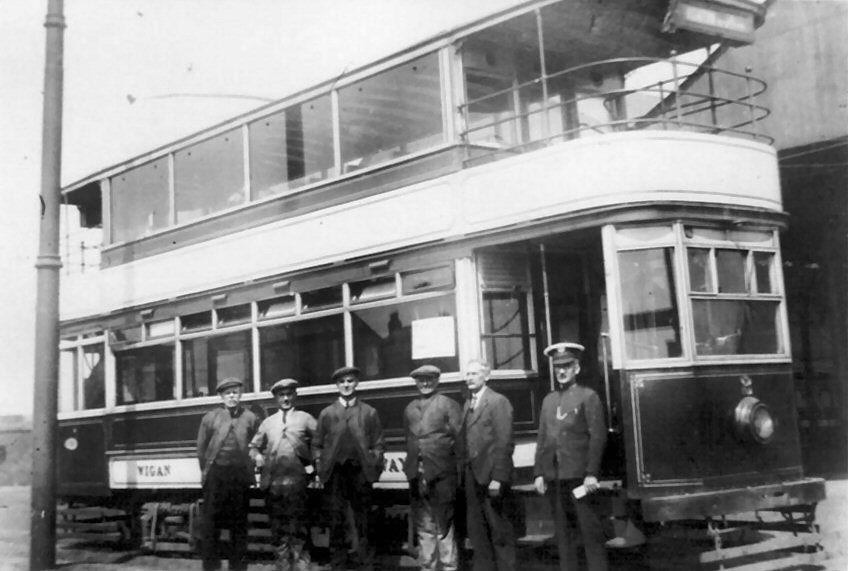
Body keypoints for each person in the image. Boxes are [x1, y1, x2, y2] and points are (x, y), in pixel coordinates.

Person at [534, 342, 608, 571]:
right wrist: (539, 473)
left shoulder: (588, 396)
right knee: (563, 538)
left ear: (577, 368)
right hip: (556, 478)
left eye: (567, 366)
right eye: (558, 367)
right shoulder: (549, 400)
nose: (562, 371)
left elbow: (598, 436)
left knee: (590, 534)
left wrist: (591, 473)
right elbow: (543, 438)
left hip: (580, 478)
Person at [313, 366, 385, 570]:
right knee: (336, 519)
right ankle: (338, 563)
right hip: (335, 473)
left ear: (357, 383)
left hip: (360, 472)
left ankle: (366, 563)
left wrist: (373, 462)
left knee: (364, 520)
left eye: (350, 381)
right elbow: (317, 444)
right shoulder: (327, 413)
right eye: (342, 382)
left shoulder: (369, 412)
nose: (346, 385)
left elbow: (379, 443)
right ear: (336, 385)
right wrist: (321, 464)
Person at [249, 378, 317, 571]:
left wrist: (315, 468)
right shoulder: (268, 423)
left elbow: (320, 443)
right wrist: (258, 456)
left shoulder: (306, 418)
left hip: (298, 483)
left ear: (295, 395)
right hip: (274, 484)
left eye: (289, 394)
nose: (286, 398)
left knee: (299, 528)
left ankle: (302, 566)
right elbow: (253, 447)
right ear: (276, 398)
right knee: (278, 530)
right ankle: (283, 566)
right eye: (282, 395)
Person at [196, 377, 261, 571]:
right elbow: (201, 448)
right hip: (216, 475)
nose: (232, 396)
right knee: (211, 525)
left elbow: (257, 444)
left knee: (238, 524)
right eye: (228, 393)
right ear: (221, 396)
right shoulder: (210, 417)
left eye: (235, 392)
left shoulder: (250, 418)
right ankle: (210, 566)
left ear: (241, 395)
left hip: (239, 476)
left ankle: (238, 566)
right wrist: (207, 472)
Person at [457, 359, 516, 571]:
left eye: (474, 374)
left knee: (499, 531)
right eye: (467, 374)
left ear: (487, 376)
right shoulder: (468, 403)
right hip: (472, 476)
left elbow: (504, 442)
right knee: (477, 532)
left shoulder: (498, 402)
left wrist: (498, 478)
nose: (469, 378)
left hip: (491, 477)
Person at [403, 364, 462, 571]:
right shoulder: (410, 408)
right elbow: (409, 440)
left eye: (430, 379)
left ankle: (449, 566)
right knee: (423, 524)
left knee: (444, 524)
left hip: (442, 474)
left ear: (437, 381)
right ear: (416, 382)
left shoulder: (448, 404)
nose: (425, 383)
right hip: (417, 476)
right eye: (421, 380)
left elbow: (459, 440)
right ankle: (428, 566)